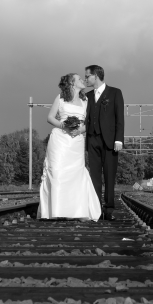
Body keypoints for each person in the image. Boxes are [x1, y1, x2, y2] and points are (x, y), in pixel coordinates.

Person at [37, 73, 101, 221]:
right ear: (72, 83)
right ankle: (56, 211)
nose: (82, 80)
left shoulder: (86, 101)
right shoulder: (60, 98)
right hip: (60, 140)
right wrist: (63, 125)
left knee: (75, 174)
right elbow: (50, 117)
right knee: (58, 172)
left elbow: (90, 123)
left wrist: (80, 130)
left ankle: (76, 211)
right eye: (79, 79)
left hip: (76, 142)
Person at [84, 65, 125, 221]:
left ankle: (109, 209)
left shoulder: (115, 93)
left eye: (87, 76)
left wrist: (119, 139)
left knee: (109, 176)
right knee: (94, 176)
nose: (86, 79)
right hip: (92, 139)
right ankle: (96, 209)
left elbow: (120, 118)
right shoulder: (86, 96)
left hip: (110, 141)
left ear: (96, 76)